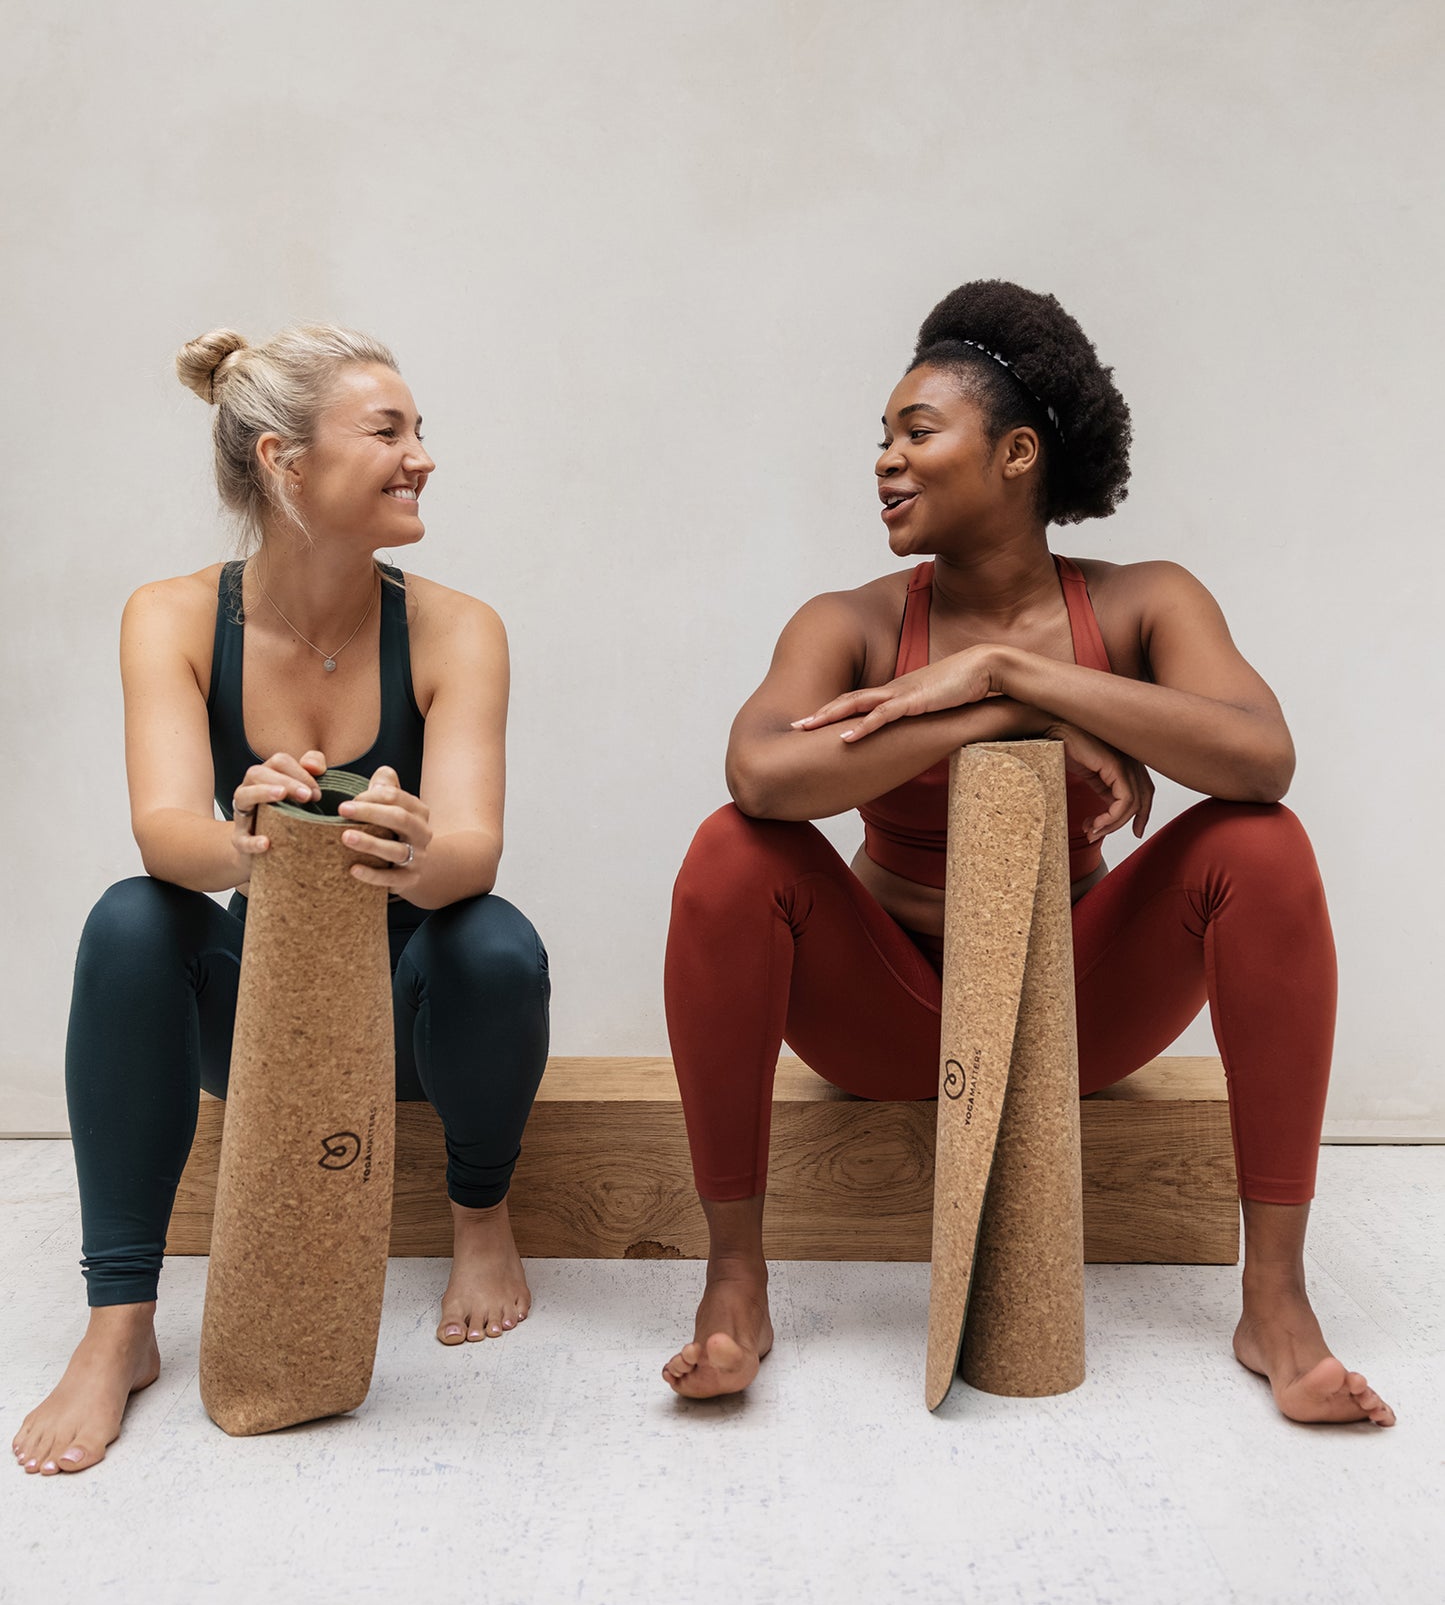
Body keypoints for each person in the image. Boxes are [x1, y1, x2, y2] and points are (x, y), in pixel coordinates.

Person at [662, 279, 1393, 1427]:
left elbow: (1261, 758)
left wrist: (1013, 672)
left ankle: (1274, 1299)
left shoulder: (1145, 601)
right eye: (881, 439)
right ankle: (734, 1285)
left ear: (1013, 454)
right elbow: (759, 775)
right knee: (726, 852)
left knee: (1262, 845)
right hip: (885, 1011)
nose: (883, 462)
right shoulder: (848, 622)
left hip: (1070, 1013)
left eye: (916, 432)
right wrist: (1006, 718)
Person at [14, 324, 550, 1477]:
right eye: (389, 431)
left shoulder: (457, 628)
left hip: (405, 1027)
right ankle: (120, 1325)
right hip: (263, 1034)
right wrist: (245, 842)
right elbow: (166, 836)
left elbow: (474, 852)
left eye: (420, 430)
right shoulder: (169, 615)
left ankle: (479, 1216)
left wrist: (413, 855)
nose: (423, 456)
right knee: (129, 915)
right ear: (284, 462)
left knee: (494, 945)